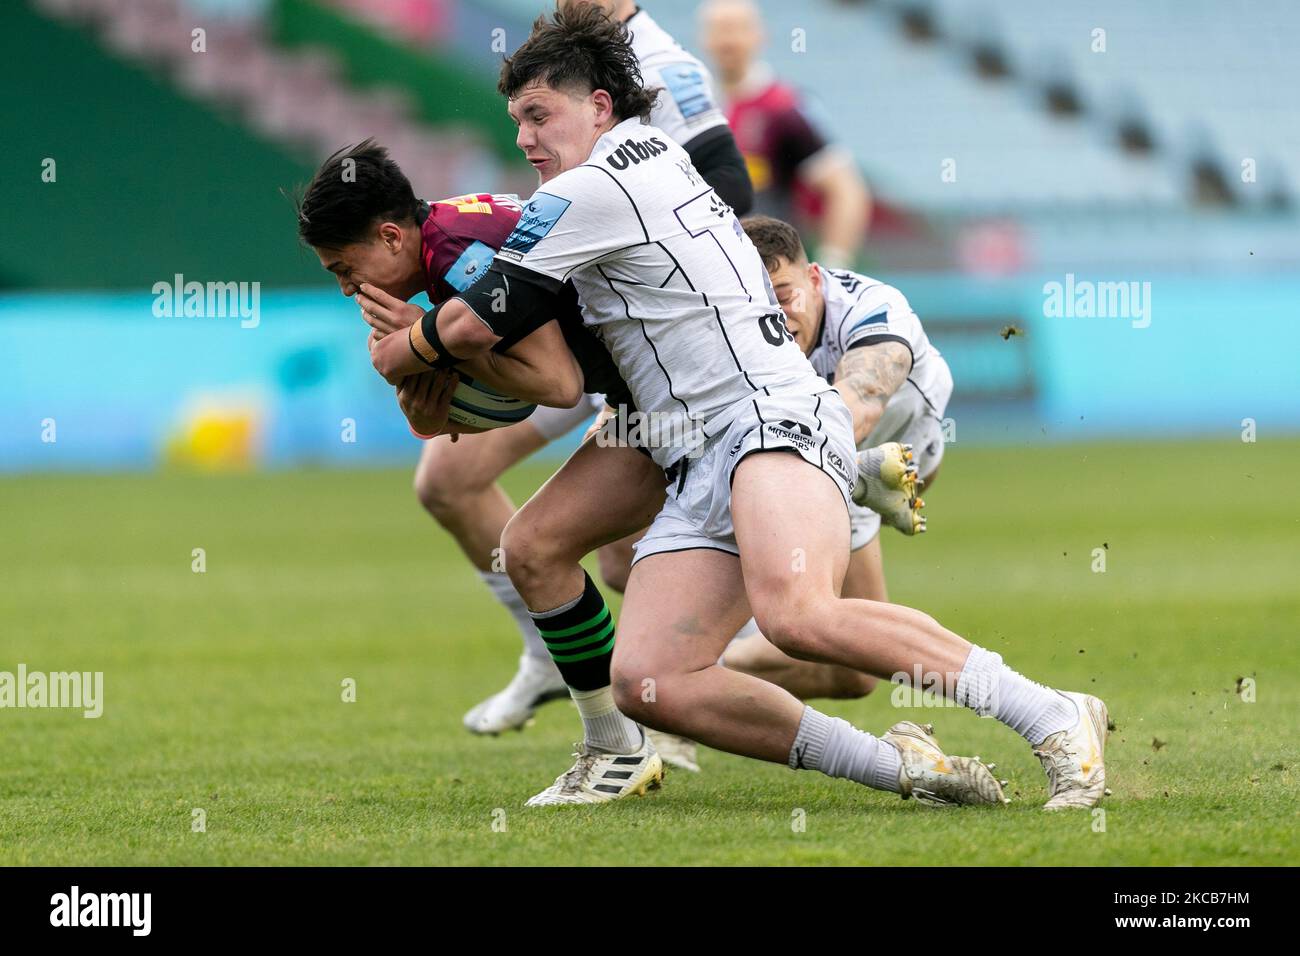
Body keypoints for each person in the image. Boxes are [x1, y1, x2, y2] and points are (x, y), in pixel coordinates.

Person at [368, 6, 1109, 812]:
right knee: (646, 675)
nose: (525, 139)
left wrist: (402, 349)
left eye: (540, 115)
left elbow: (480, 320)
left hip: (765, 416)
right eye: (517, 121)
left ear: (602, 107)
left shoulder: (590, 189)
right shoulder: (646, 154)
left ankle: (1049, 711)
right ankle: (903, 768)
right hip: (683, 440)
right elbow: (546, 360)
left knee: (802, 617)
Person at [700, 0, 871, 269]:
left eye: (737, 28)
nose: (728, 40)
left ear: (760, 36)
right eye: (720, 29)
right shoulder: (692, 106)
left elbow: (847, 190)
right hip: (704, 273)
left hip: (770, 275)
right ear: (704, 38)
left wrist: (833, 266)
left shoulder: (786, 107)